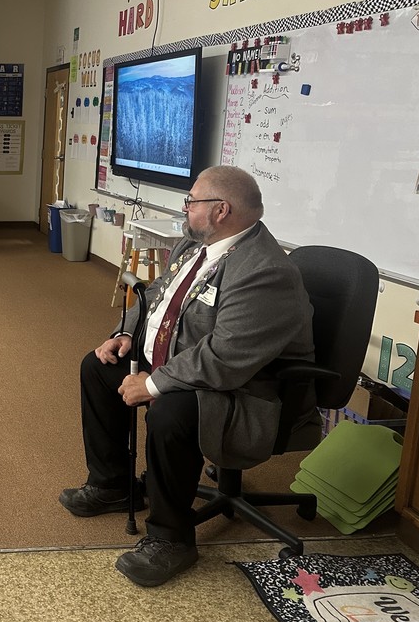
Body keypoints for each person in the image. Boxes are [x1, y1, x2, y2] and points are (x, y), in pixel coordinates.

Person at [59, 166, 315, 588]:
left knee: (171, 411)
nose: (185, 207)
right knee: (98, 366)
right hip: (188, 361)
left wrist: (154, 384)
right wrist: (125, 334)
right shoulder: (197, 245)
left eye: (190, 200)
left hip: (246, 390)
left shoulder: (263, 271)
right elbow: (155, 296)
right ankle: (113, 485)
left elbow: (226, 357)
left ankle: (172, 538)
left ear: (220, 210)